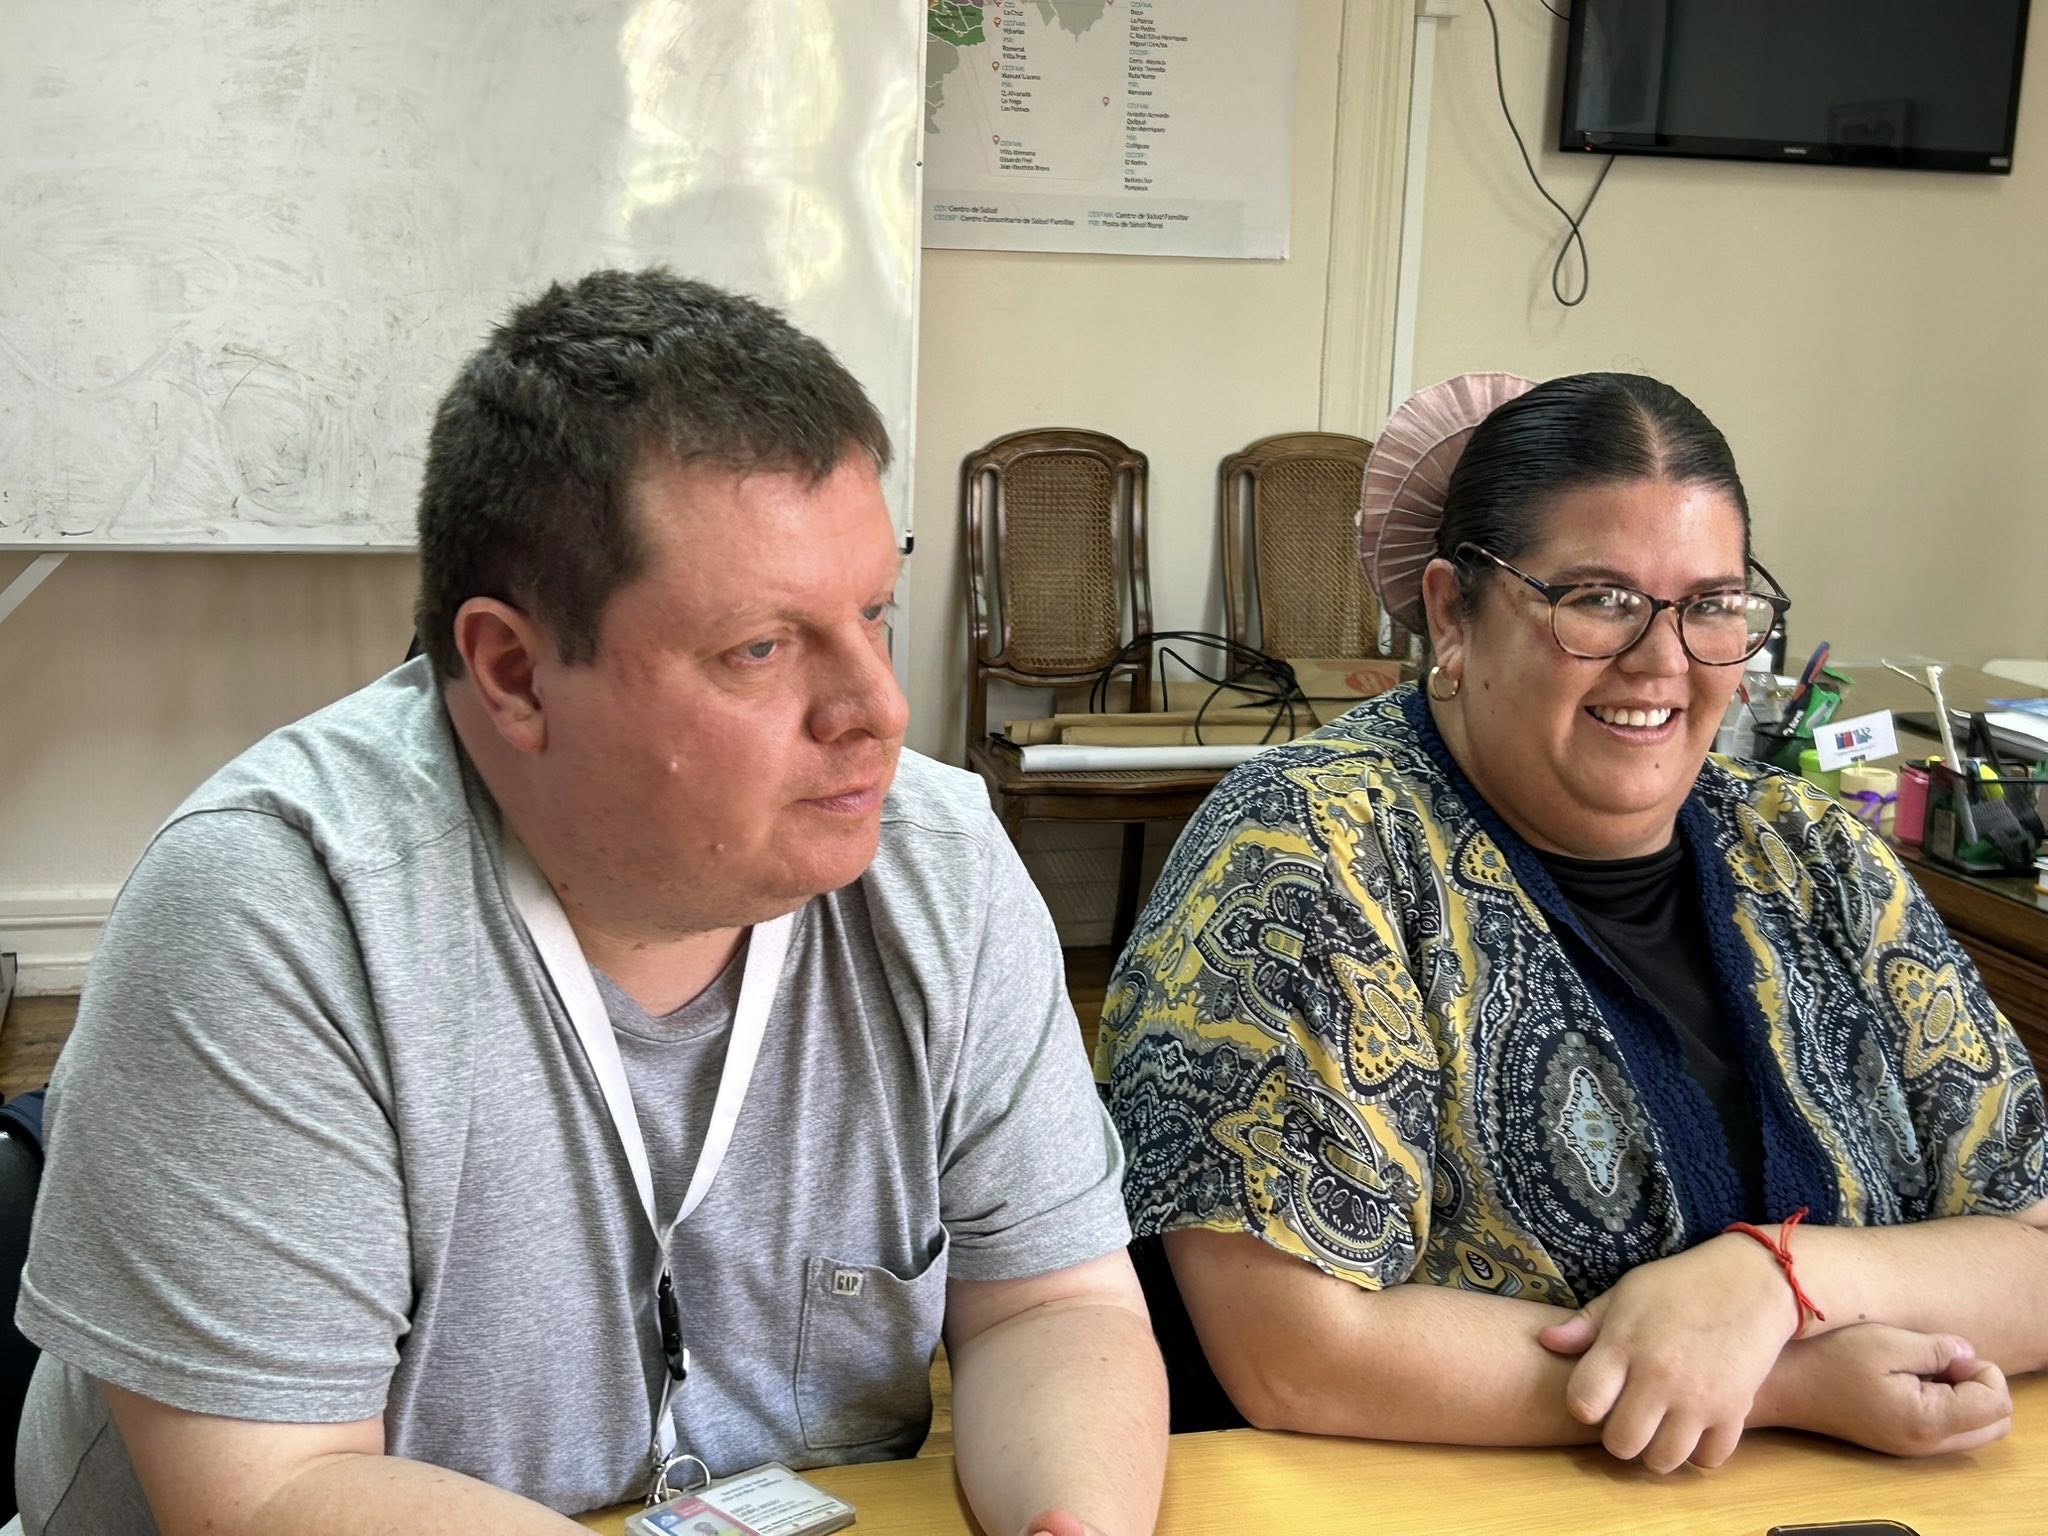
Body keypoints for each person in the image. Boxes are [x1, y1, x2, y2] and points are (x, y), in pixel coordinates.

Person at [14, 270, 1166, 1536]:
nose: (879, 711)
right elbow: (274, 1492)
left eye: (871, 615)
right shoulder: (273, 915)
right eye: (760, 648)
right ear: (513, 672)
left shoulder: (936, 864)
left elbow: (1052, 1306)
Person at [1097, 371, 2048, 1474]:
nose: (1662, 662)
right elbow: (1291, 1350)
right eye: (1599, 598)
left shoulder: (1816, 855)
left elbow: (2029, 1244)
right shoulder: (1309, 850)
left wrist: (1777, 1281)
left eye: (1711, 605)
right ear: (1452, 612)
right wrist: (1780, 1384)